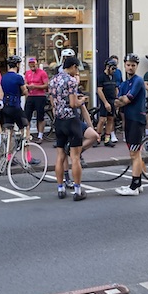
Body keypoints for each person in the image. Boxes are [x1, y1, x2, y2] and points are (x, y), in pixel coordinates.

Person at [49, 56, 88, 201]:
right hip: (71, 120)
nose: (76, 70)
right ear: (72, 66)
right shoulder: (71, 81)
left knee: (60, 156)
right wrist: (81, 100)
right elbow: (73, 103)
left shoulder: (53, 80)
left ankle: (60, 188)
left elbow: (53, 101)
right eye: (76, 68)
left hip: (59, 121)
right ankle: (77, 190)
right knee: (75, 157)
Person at [114, 53, 147, 196]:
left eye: (133, 65)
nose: (130, 67)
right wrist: (121, 100)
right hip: (128, 119)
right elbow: (117, 102)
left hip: (136, 119)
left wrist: (122, 99)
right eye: (128, 65)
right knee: (134, 152)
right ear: (125, 65)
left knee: (134, 153)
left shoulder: (138, 81)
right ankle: (138, 183)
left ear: (136, 66)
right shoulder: (124, 83)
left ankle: (133, 187)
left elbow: (126, 100)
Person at [0, 55, 36, 161]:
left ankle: (9, 157)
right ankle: (28, 157)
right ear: (17, 65)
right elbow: (25, 91)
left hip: (6, 107)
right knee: (25, 129)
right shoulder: (18, 77)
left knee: (9, 132)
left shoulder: (3, 77)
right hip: (16, 107)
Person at [23, 57, 49, 143]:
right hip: (30, 96)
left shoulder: (42, 73)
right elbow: (25, 83)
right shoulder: (27, 73)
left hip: (40, 96)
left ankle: (40, 136)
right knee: (27, 116)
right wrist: (27, 86)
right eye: (30, 64)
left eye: (33, 63)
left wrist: (35, 86)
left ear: (37, 64)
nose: (32, 65)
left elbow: (46, 85)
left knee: (40, 117)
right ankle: (27, 135)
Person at [96, 58, 119, 147]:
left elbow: (116, 88)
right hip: (104, 101)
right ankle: (97, 138)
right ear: (107, 67)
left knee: (111, 119)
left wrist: (117, 99)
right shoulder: (101, 77)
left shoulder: (113, 77)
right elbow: (99, 90)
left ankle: (107, 139)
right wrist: (105, 103)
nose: (114, 71)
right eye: (112, 68)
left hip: (112, 100)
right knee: (102, 120)